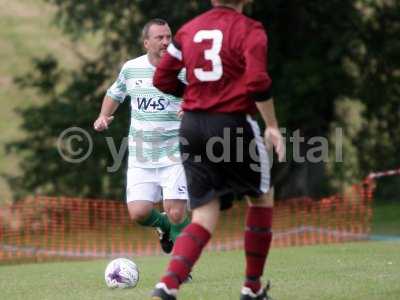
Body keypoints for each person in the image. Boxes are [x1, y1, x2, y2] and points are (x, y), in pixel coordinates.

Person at [151, 1, 285, 300]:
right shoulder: (250, 29)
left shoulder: (187, 31)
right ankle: (251, 288)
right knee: (261, 198)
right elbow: (258, 81)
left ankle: (167, 285)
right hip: (231, 123)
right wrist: (272, 125)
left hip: (193, 127)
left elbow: (161, 78)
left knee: (203, 217)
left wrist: (195, 97)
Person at [93, 19, 190, 255]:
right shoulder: (131, 68)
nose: (166, 42)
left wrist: (190, 105)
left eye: (169, 37)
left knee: (176, 210)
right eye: (160, 38)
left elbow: (203, 95)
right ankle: (164, 226)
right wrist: (103, 116)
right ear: (146, 42)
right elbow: (115, 93)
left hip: (176, 150)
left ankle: (181, 265)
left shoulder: (184, 68)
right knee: (139, 213)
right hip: (141, 155)